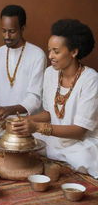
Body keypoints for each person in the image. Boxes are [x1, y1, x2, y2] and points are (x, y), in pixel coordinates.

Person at [12, 19, 98, 178]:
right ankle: (59, 161)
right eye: (49, 50)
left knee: (84, 158)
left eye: (56, 51)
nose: (50, 56)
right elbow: (50, 114)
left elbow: (79, 131)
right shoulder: (50, 73)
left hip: (79, 142)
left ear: (74, 52)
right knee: (23, 140)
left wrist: (37, 127)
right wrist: (25, 121)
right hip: (55, 137)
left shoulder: (91, 80)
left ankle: (61, 161)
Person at [0, 5, 47, 143]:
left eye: (12, 31)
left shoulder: (37, 54)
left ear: (22, 29)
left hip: (29, 118)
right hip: (5, 120)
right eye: (3, 31)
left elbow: (35, 97)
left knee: (41, 141)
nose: (7, 36)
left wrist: (10, 110)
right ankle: (12, 137)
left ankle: (16, 138)